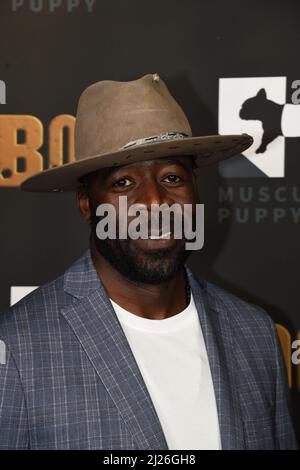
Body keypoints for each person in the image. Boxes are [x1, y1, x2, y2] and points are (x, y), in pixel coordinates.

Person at [0, 73, 297, 450]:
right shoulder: (16, 347)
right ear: (86, 204)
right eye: (123, 183)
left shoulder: (254, 333)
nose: (155, 201)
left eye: (172, 176)